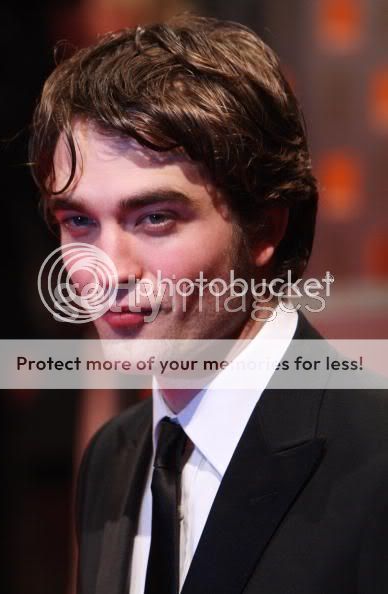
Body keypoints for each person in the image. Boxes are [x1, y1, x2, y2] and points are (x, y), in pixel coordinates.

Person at [30, 14, 388, 594]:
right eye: (78, 221)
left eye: (154, 218)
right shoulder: (112, 458)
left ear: (264, 227)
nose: (108, 269)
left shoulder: (374, 457)